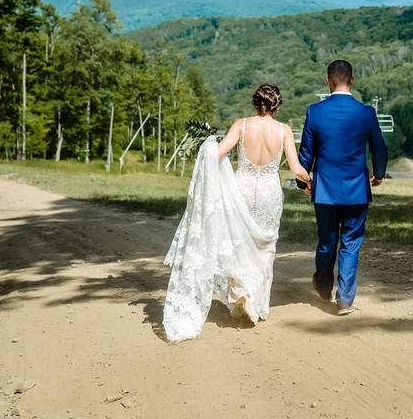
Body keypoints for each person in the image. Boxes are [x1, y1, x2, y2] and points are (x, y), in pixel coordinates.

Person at [162, 83, 310, 342]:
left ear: (256, 103)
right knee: (265, 246)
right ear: (277, 105)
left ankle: (241, 293)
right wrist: (308, 182)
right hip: (269, 192)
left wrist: (208, 144)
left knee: (238, 242)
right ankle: (258, 303)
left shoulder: (241, 125)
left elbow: (216, 154)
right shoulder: (284, 130)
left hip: (241, 188)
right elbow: (296, 168)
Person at [298, 60, 388, 315]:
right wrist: (378, 174)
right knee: (351, 242)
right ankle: (345, 299)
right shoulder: (366, 112)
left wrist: (302, 180)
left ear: (328, 81)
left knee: (327, 240)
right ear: (353, 80)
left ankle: (324, 285)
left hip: (325, 190)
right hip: (357, 190)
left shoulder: (315, 111)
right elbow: (380, 147)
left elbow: (306, 152)